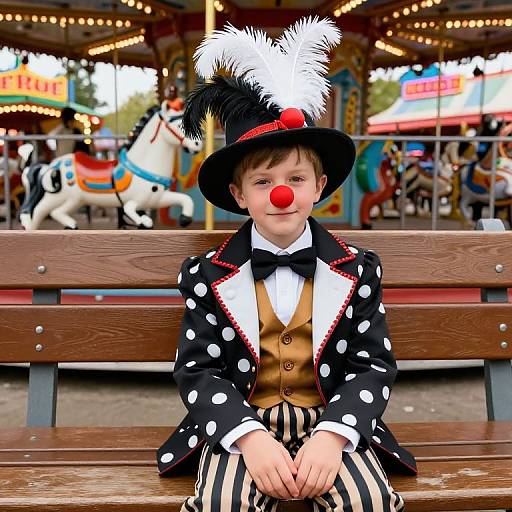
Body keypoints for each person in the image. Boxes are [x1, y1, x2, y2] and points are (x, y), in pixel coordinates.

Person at [157, 16, 417, 511]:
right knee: (223, 505)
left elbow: (373, 365)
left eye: (296, 179)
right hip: (239, 425)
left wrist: (335, 436)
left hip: (332, 424)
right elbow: (197, 371)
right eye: (263, 182)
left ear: (319, 187)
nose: (281, 193)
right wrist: (247, 437)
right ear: (237, 194)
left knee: (367, 503)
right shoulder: (205, 276)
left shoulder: (358, 270)